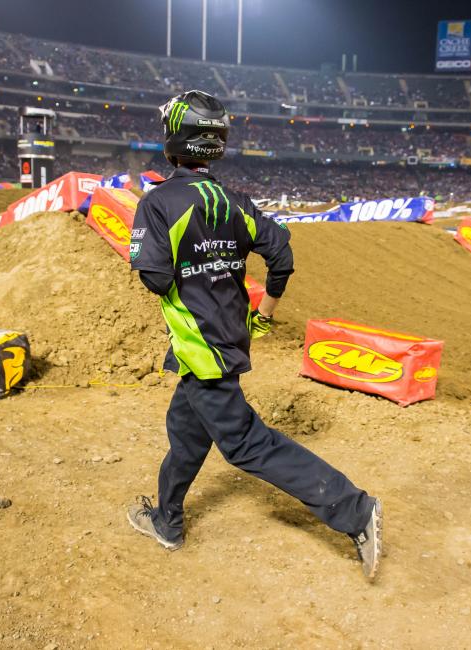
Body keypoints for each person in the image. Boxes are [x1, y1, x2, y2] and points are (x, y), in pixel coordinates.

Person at [126, 90, 383, 579]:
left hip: (203, 347)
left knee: (247, 445)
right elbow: (282, 257)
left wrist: (154, 256)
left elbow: (156, 279)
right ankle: (167, 520)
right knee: (186, 433)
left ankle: (355, 510)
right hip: (227, 338)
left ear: (174, 139)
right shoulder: (235, 202)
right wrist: (264, 313)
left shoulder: (159, 203)